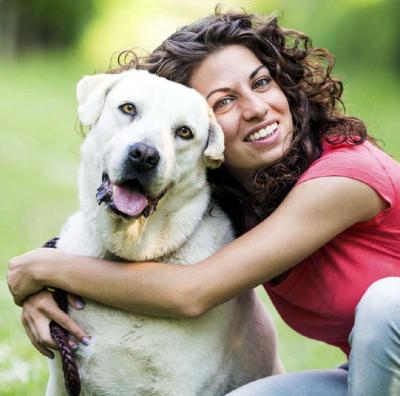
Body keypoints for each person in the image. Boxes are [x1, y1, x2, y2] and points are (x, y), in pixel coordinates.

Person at [7, 9, 400, 396]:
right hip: (369, 376)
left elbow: (192, 291)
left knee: (388, 303)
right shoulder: (246, 196)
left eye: (261, 82)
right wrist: (44, 283)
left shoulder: (347, 177)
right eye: (224, 101)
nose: (256, 108)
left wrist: (44, 268)